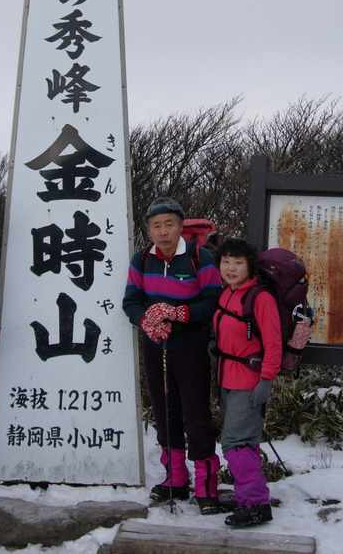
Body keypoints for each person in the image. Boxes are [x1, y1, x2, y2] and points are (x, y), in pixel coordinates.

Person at [122, 197, 224, 513]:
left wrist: (179, 313)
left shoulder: (199, 257)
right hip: (155, 345)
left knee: (196, 413)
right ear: (148, 230)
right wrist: (146, 321)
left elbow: (213, 301)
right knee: (165, 411)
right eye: (156, 226)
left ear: (180, 227)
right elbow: (131, 301)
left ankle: (206, 484)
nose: (163, 231)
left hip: (190, 345)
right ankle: (175, 478)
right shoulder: (142, 260)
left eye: (169, 224)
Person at [212, 237, 282, 527]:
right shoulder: (228, 293)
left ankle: (255, 504)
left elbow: (274, 343)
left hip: (248, 381)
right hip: (227, 378)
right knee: (245, 442)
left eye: (238, 263)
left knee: (235, 442)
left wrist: (266, 380)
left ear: (250, 266)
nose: (230, 268)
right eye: (226, 261)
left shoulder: (260, 298)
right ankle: (248, 495)